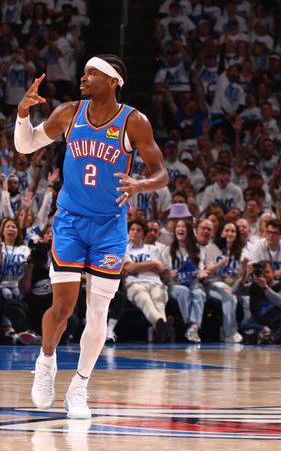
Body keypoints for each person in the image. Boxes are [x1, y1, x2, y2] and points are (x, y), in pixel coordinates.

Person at [15, 55, 168, 419]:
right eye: (83, 73)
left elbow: (161, 173)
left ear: (113, 81)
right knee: (64, 306)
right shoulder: (69, 112)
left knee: (98, 311)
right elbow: (26, 145)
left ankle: (80, 386)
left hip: (109, 227)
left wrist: (141, 184)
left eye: (91, 74)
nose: (83, 79)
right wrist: (23, 115)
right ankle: (46, 362)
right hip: (69, 221)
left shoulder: (134, 122)